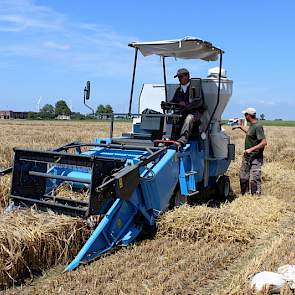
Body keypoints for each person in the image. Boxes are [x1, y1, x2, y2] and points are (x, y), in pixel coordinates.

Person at [233, 107, 267, 195]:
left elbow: (264, 142)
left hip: (255, 157)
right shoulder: (252, 125)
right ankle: (245, 196)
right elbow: (250, 134)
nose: (244, 116)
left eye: (245, 115)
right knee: (243, 176)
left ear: (248, 115)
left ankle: (255, 198)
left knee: (254, 178)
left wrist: (250, 149)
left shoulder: (258, 126)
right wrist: (240, 127)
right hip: (247, 156)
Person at [171, 68, 204, 148]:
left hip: (195, 113)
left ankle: (182, 140)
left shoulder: (196, 88)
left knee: (189, 118)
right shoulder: (178, 90)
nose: (179, 79)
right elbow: (173, 101)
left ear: (187, 76)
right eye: (178, 77)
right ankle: (169, 138)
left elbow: (199, 102)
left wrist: (186, 104)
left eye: (181, 77)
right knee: (170, 116)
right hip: (182, 113)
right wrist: (167, 104)